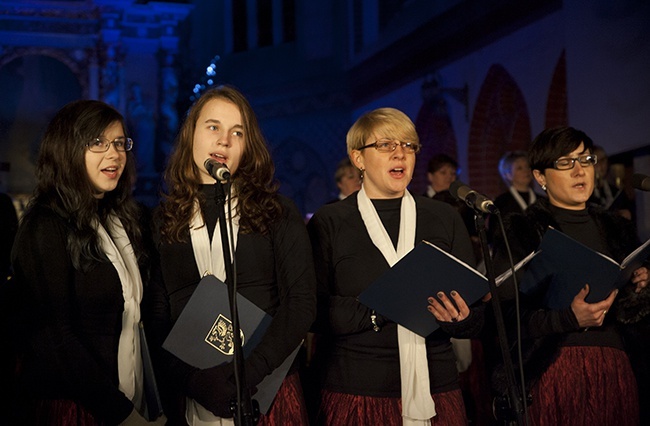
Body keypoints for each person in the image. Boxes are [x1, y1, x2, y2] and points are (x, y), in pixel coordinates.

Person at [148, 85, 316, 425]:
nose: (224, 140)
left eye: (236, 132)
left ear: (247, 145)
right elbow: (156, 315)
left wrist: (245, 375)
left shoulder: (277, 211)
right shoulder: (163, 220)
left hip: (267, 390)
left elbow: (301, 304)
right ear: (190, 135)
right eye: (213, 127)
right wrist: (194, 381)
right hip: (194, 392)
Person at [308, 107, 485, 425]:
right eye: (386, 145)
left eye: (408, 145)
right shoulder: (330, 220)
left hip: (437, 384)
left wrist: (460, 319)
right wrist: (381, 310)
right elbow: (313, 310)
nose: (400, 154)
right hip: (358, 387)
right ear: (358, 158)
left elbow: (475, 313)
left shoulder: (443, 216)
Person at [8, 100, 164, 424]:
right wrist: (124, 416)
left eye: (120, 143)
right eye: (98, 143)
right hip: (75, 408)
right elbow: (55, 340)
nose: (115, 154)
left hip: (133, 399)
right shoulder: (45, 225)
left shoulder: (122, 218)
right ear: (67, 149)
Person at [490, 126, 648, 425]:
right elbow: (505, 317)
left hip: (615, 365)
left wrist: (640, 288)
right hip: (553, 368)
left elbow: (632, 314)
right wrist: (567, 318)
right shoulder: (522, 230)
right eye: (565, 163)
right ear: (540, 177)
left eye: (585, 159)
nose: (579, 171)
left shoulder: (616, 226)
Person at [588, 145, 634, 220]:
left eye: (603, 160)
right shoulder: (584, 194)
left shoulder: (617, 192)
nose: (600, 165)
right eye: (596, 161)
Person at [493, 150, 538, 217]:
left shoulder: (541, 200)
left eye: (527, 166)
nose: (526, 171)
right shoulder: (501, 203)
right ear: (508, 175)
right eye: (519, 168)